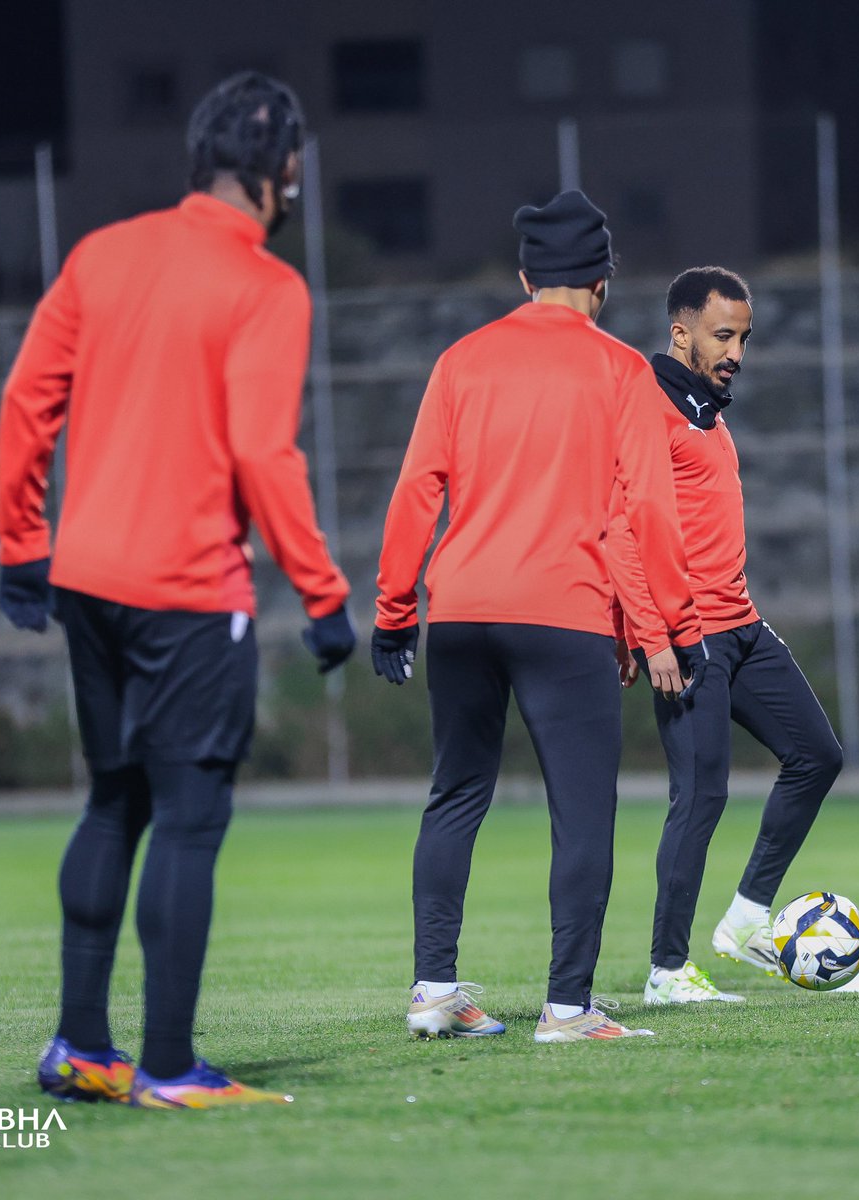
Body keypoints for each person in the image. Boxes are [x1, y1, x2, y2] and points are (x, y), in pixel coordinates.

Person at [0, 71, 355, 1109]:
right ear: (282, 171)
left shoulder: (102, 253)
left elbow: (26, 400)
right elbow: (260, 452)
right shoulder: (267, 287)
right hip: (189, 590)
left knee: (114, 802)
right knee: (191, 817)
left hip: (87, 578)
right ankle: (167, 1067)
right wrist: (322, 593)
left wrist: (22, 543)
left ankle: (81, 1048)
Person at [373, 190, 706, 1043]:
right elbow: (648, 510)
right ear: (602, 282)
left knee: (455, 794)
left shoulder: (461, 360)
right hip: (563, 613)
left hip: (461, 612)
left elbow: (417, 488)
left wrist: (393, 610)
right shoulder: (623, 371)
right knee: (582, 810)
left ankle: (433, 990)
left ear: (525, 278)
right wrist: (670, 624)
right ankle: (566, 1008)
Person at [607, 265, 850, 1006]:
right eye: (723, 336)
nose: (736, 352)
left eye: (744, 338)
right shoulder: (648, 405)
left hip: (742, 625)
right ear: (680, 332)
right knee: (701, 796)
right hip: (690, 637)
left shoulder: (708, 411)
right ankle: (666, 970)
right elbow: (620, 531)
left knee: (817, 755)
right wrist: (645, 635)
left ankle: (745, 923)